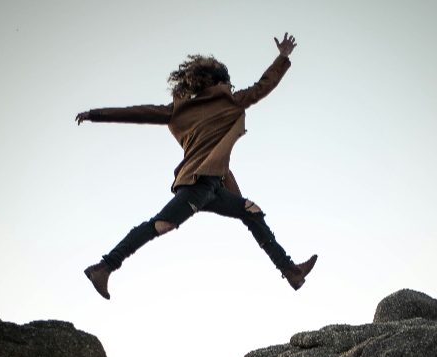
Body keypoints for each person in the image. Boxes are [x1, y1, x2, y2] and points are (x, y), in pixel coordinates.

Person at [76, 33, 317, 300]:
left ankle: (290, 271)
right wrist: (282, 57)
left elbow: (137, 111)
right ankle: (105, 266)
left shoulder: (181, 109)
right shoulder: (229, 101)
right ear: (219, 81)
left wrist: (95, 114)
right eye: (226, 80)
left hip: (213, 186)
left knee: (251, 212)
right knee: (160, 224)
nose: (229, 84)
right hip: (197, 185)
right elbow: (263, 86)